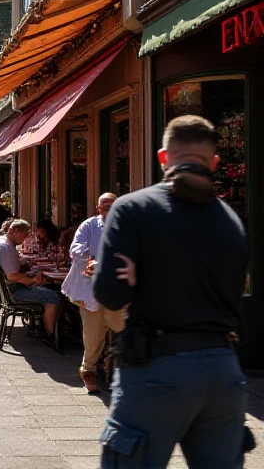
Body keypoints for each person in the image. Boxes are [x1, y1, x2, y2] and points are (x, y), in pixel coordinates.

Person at [93, 116, 252, 468]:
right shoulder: (232, 222)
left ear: (163, 157)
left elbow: (109, 293)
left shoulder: (133, 209)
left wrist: (143, 272)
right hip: (223, 371)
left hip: (156, 367)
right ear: (214, 163)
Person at [61, 193, 122, 393]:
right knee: (93, 334)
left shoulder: (127, 225)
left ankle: (115, 372)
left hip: (119, 289)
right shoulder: (89, 226)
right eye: (104, 207)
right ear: (98, 209)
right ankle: (88, 370)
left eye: (112, 205)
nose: (108, 209)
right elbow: (76, 249)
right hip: (92, 288)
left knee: (120, 330)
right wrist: (90, 260)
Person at [0, 219, 61, 339]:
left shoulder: (2, 243)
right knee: (53, 297)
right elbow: (12, 276)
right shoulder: (6, 248)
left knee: (45, 287)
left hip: (4, 290)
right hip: (13, 292)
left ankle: (40, 324)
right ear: (13, 231)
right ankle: (49, 334)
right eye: (25, 232)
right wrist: (33, 280)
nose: (27, 236)